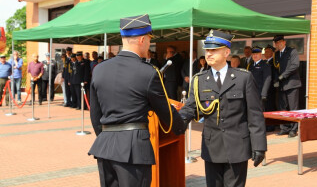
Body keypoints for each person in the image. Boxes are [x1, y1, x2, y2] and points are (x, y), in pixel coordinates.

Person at [88, 14, 186, 187]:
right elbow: (167, 115)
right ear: (142, 39)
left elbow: (95, 115)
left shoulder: (99, 69)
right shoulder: (148, 72)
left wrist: (107, 137)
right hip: (133, 149)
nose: (149, 44)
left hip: (105, 146)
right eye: (149, 40)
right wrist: (182, 123)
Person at [179, 30, 267, 187]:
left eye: (214, 50)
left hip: (237, 147)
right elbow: (189, 109)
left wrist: (259, 146)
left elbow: (255, 115)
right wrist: (173, 121)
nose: (209, 54)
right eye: (207, 50)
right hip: (212, 148)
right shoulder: (199, 80)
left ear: (226, 52)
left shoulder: (243, 78)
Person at [273, 35, 301, 138]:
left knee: (293, 108)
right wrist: (276, 79)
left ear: (284, 42)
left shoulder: (292, 51)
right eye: (276, 43)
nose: (278, 44)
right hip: (281, 85)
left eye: (280, 42)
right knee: (282, 108)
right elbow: (275, 68)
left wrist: (283, 76)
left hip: (292, 83)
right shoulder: (276, 54)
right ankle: (284, 128)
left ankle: (293, 129)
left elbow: (295, 65)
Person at [264, 44, 277, 131]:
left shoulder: (273, 62)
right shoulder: (265, 62)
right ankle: (267, 124)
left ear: (272, 53)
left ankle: (271, 125)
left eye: (268, 52)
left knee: (270, 106)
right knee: (266, 107)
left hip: (271, 88)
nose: (265, 53)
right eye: (265, 52)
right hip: (265, 88)